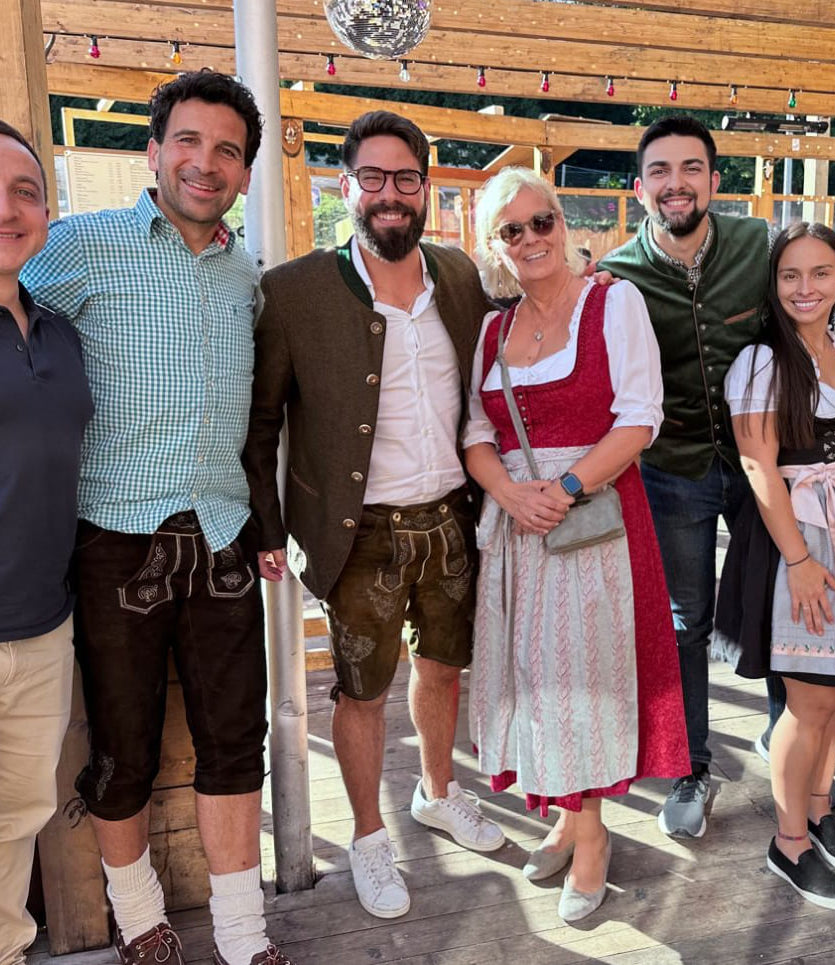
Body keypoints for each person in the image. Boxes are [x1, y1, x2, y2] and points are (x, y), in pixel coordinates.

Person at [21, 72, 291, 965]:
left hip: (220, 540)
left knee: (232, 744)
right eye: (188, 141)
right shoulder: (78, 247)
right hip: (113, 540)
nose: (204, 163)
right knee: (123, 749)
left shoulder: (247, 275)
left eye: (226, 150)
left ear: (245, 172)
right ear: (153, 150)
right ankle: (141, 923)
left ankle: (247, 936)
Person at [242, 110, 504, 922]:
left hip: (452, 518)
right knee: (359, 692)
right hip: (357, 533)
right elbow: (260, 422)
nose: (391, 195)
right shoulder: (293, 290)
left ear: (426, 188)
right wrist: (265, 525)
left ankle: (436, 789)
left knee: (443, 668)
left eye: (407, 179)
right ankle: (365, 835)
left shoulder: (459, 277)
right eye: (374, 178)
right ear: (346, 186)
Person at [598, 116, 835, 838]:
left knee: (779, 604)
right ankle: (691, 765)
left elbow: (809, 292)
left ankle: (790, 736)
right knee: (685, 621)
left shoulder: (757, 246)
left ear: (713, 180)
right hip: (675, 468)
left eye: (691, 168)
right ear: (639, 188)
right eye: (660, 170)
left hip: (770, 460)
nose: (676, 183)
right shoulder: (618, 276)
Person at [464, 166, 689, 923]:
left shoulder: (611, 301)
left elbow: (640, 417)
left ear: (563, 226)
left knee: (579, 682)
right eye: (512, 229)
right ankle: (565, 816)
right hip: (518, 526)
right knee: (532, 680)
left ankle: (591, 838)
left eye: (542, 221)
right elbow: (475, 432)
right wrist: (507, 492)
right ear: (496, 246)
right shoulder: (495, 328)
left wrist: (559, 490)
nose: (530, 238)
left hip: (589, 518)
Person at [713, 222, 835, 910]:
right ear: (772, 282)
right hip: (798, 531)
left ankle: (819, 808)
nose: (805, 288)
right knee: (808, 695)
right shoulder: (761, 361)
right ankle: (787, 841)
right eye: (790, 274)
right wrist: (796, 558)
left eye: (819, 273)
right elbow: (759, 463)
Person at [0, 121, 92, 965]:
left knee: (17, 818)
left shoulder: (58, 331)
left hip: (41, 625)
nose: (7, 208)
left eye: (25, 190)